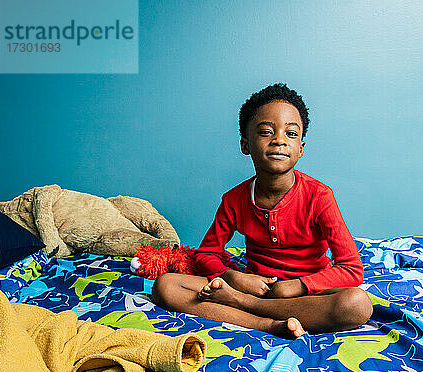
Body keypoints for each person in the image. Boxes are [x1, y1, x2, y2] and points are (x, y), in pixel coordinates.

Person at [152, 83, 373, 339]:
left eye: (290, 134)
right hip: (253, 287)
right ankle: (269, 325)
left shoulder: (319, 196)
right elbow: (206, 254)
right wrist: (234, 278)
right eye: (267, 132)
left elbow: (352, 269)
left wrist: (299, 285)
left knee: (356, 304)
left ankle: (247, 308)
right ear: (246, 144)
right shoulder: (235, 199)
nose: (279, 140)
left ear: (300, 149)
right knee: (165, 286)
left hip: (308, 294)